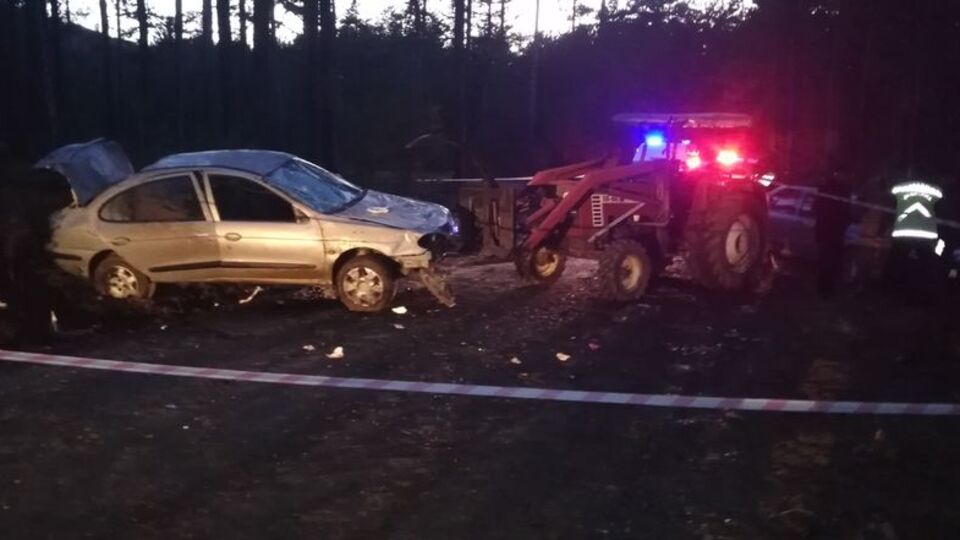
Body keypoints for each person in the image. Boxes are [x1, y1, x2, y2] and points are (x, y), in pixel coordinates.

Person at [814, 165, 852, 297]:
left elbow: (815, 209)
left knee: (828, 262)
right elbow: (845, 212)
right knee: (830, 262)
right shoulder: (839, 191)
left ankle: (825, 290)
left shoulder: (826, 189)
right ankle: (826, 291)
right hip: (832, 232)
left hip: (829, 232)